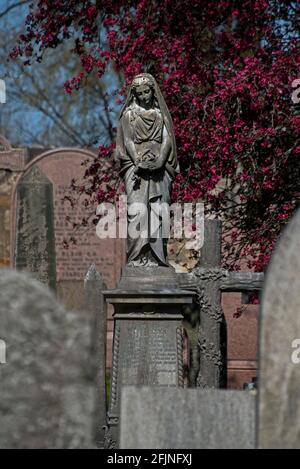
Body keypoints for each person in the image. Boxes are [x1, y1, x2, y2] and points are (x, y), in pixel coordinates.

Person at [115, 73, 179, 266]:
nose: (144, 96)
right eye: (140, 93)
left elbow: (167, 139)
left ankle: (158, 259)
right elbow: (127, 141)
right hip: (135, 167)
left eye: (147, 92)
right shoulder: (129, 115)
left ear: (153, 91)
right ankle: (137, 257)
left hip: (160, 169)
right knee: (136, 211)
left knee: (159, 211)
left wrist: (159, 161)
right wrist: (138, 162)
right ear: (134, 94)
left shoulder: (161, 115)